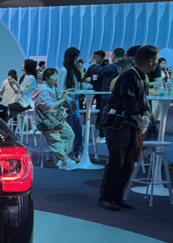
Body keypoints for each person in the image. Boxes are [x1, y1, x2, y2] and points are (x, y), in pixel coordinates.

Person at [98, 45, 157, 211]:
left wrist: (145, 117)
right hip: (120, 125)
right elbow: (128, 103)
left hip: (132, 126)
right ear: (150, 61)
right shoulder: (129, 77)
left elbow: (143, 103)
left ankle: (117, 196)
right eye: (156, 60)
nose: (157, 63)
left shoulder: (141, 77)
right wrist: (141, 120)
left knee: (128, 163)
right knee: (117, 162)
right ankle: (106, 197)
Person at [31, 68, 77, 170]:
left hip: (56, 117)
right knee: (55, 140)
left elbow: (58, 99)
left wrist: (67, 100)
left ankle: (61, 158)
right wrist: (63, 99)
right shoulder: (42, 90)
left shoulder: (53, 87)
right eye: (54, 76)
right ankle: (64, 159)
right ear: (47, 78)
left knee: (69, 134)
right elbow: (49, 106)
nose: (56, 78)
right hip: (46, 120)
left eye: (57, 75)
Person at [59, 47, 85, 161]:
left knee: (76, 127)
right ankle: (63, 153)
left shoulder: (73, 70)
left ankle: (77, 153)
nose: (77, 60)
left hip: (74, 99)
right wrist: (69, 100)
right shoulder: (63, 70)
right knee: (68, 128)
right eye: (76, 57)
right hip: (68, 100)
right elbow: (59, 89)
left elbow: (78, 85)